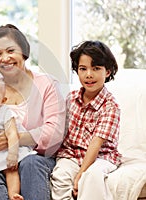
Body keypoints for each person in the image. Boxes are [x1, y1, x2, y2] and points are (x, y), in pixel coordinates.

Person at [0, 24, 66, 200]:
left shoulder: (47, 85)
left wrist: (12, 139)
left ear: (24, 52)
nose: (5, 58)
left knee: (30, 163)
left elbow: (54, 133)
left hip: (36, 158)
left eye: (11, 51)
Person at [51, 40, 122, 200]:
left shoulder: (110, 106)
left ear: (108, 72)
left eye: (96, 68)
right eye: (83, 69)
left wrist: (81, 174)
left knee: (92, 176)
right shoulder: (71, 98)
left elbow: (96, 144)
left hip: (101, 156)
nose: (89, 74)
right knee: (60, 176)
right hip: (71, 154)